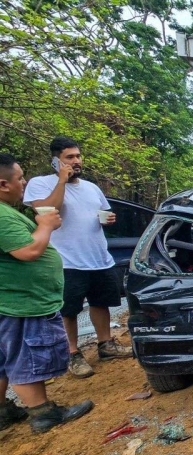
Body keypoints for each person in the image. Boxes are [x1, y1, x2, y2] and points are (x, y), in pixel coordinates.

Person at [0, 153, 94, 433]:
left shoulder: (7, 211)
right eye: (20, 178)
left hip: (11, 302)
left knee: (4, 358)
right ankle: (43, 413)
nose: (24, 182)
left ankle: (2, 411)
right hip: (21, 304)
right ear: (3, 184)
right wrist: (45, 226)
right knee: (25, 355)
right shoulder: (2, 216)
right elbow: (29, 251)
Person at [24, 137, 132, 378]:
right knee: (68, 309)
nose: (76, 161)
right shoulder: (40, 184)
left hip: (98, 257)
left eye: (78, 156)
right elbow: (49, 212)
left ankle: (106, 344)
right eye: (69, 157)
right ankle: (72, 354)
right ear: (55, 161)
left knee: (100, 302)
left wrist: (108, 220)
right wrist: (62, 180)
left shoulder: (91, 188)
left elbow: (100, 214)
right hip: (66, 259)